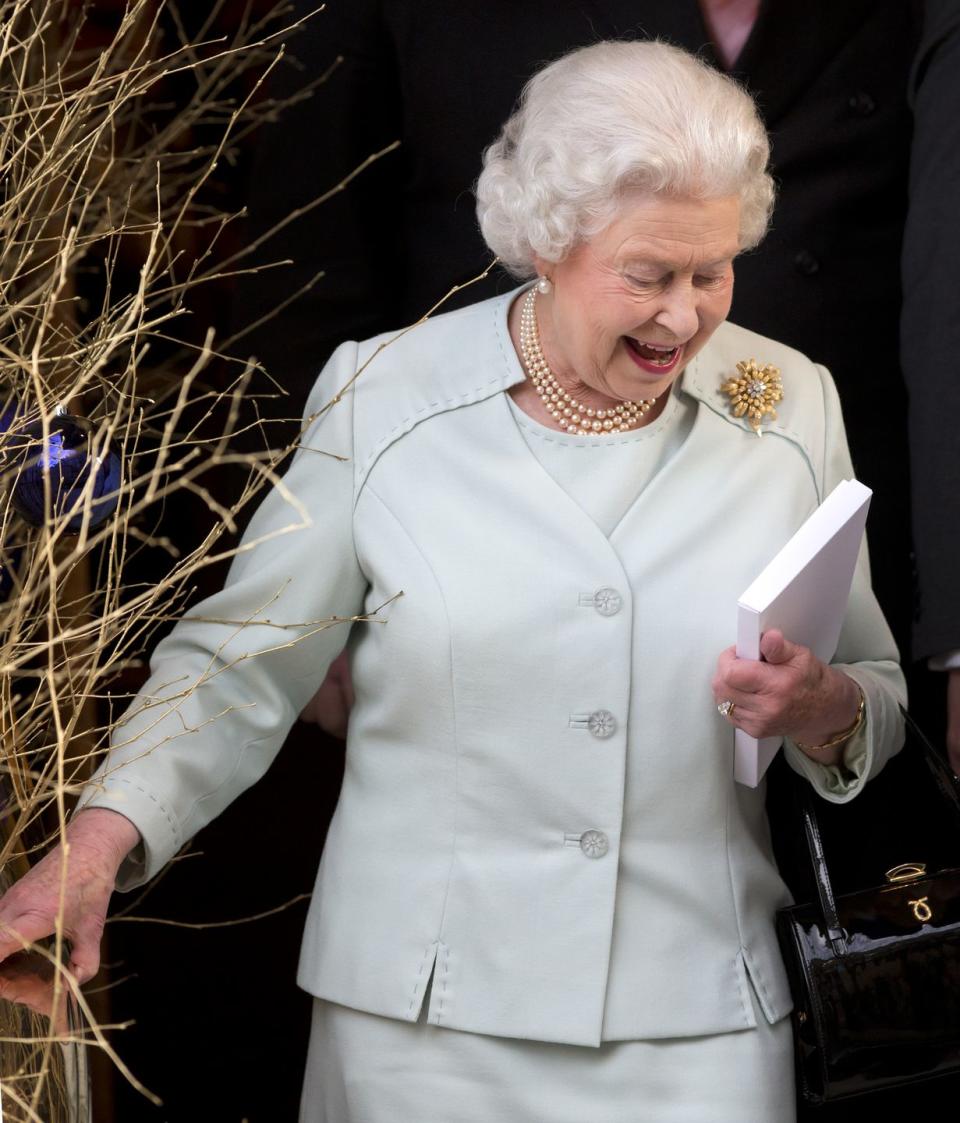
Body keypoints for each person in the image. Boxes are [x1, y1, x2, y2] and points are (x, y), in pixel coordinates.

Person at [0, 42, 905, 1121]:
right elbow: (244, 662)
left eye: (713, 271)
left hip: (698, 1019)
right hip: (422, 1022)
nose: (685, 316)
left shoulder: (790, 403)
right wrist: (100, 840)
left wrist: (823, 708)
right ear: (548, 243)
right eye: (648, 275)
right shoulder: (383, 395)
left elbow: (873, 685)